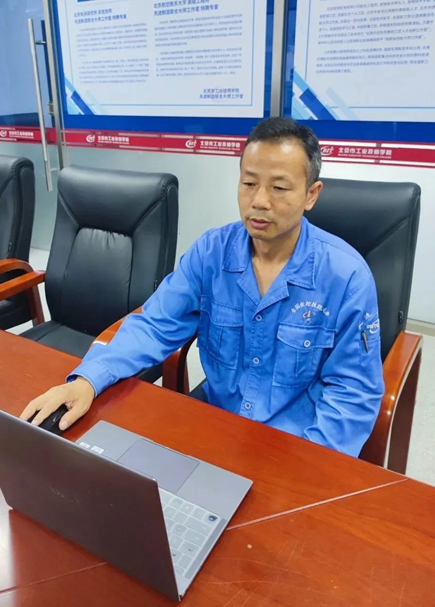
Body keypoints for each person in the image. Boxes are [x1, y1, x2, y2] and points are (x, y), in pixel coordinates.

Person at [21, 117, 384, 458]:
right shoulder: (212, 253)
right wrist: (87, 380)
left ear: (311, 194)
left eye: (279, 187)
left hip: (297, 442)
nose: (259, 201)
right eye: (249, 183)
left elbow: (353, 394)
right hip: (216, 422)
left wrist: (309, 467)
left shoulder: (346, 276)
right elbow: (155, 324)